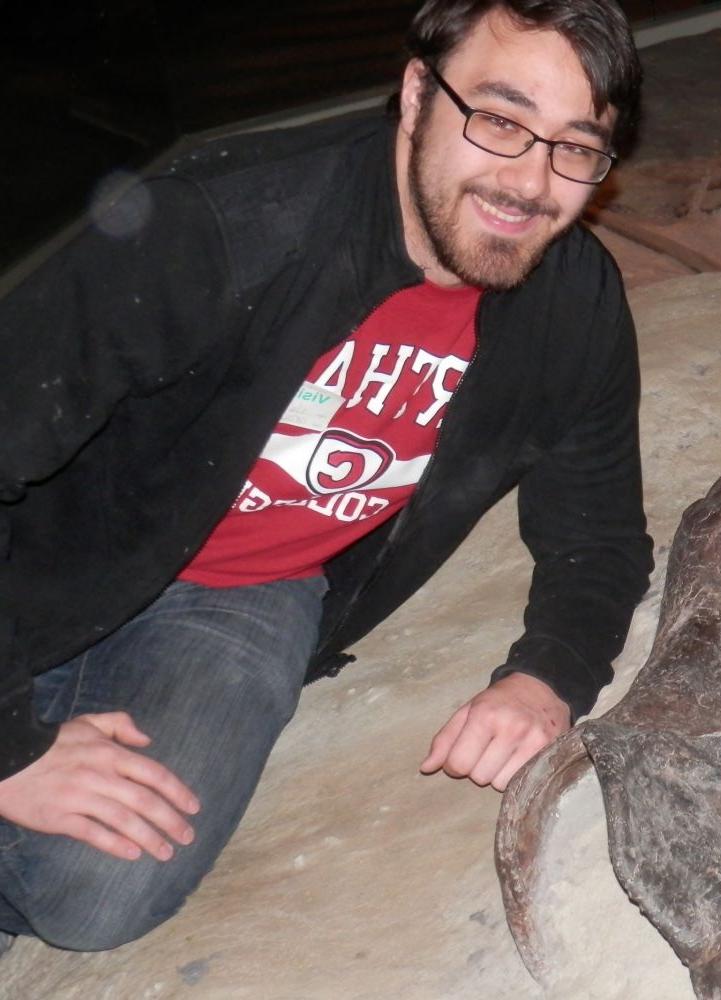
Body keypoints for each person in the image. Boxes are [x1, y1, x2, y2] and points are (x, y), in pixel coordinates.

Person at [0, 0, 651, 952]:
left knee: (98, 895)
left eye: (575, 147)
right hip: (49, 557)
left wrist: (547, 679)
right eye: (501, 121)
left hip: (245, 594)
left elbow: (598, 539)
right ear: (419, 91)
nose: (529, 181)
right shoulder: (218, 228)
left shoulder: (573, 306)